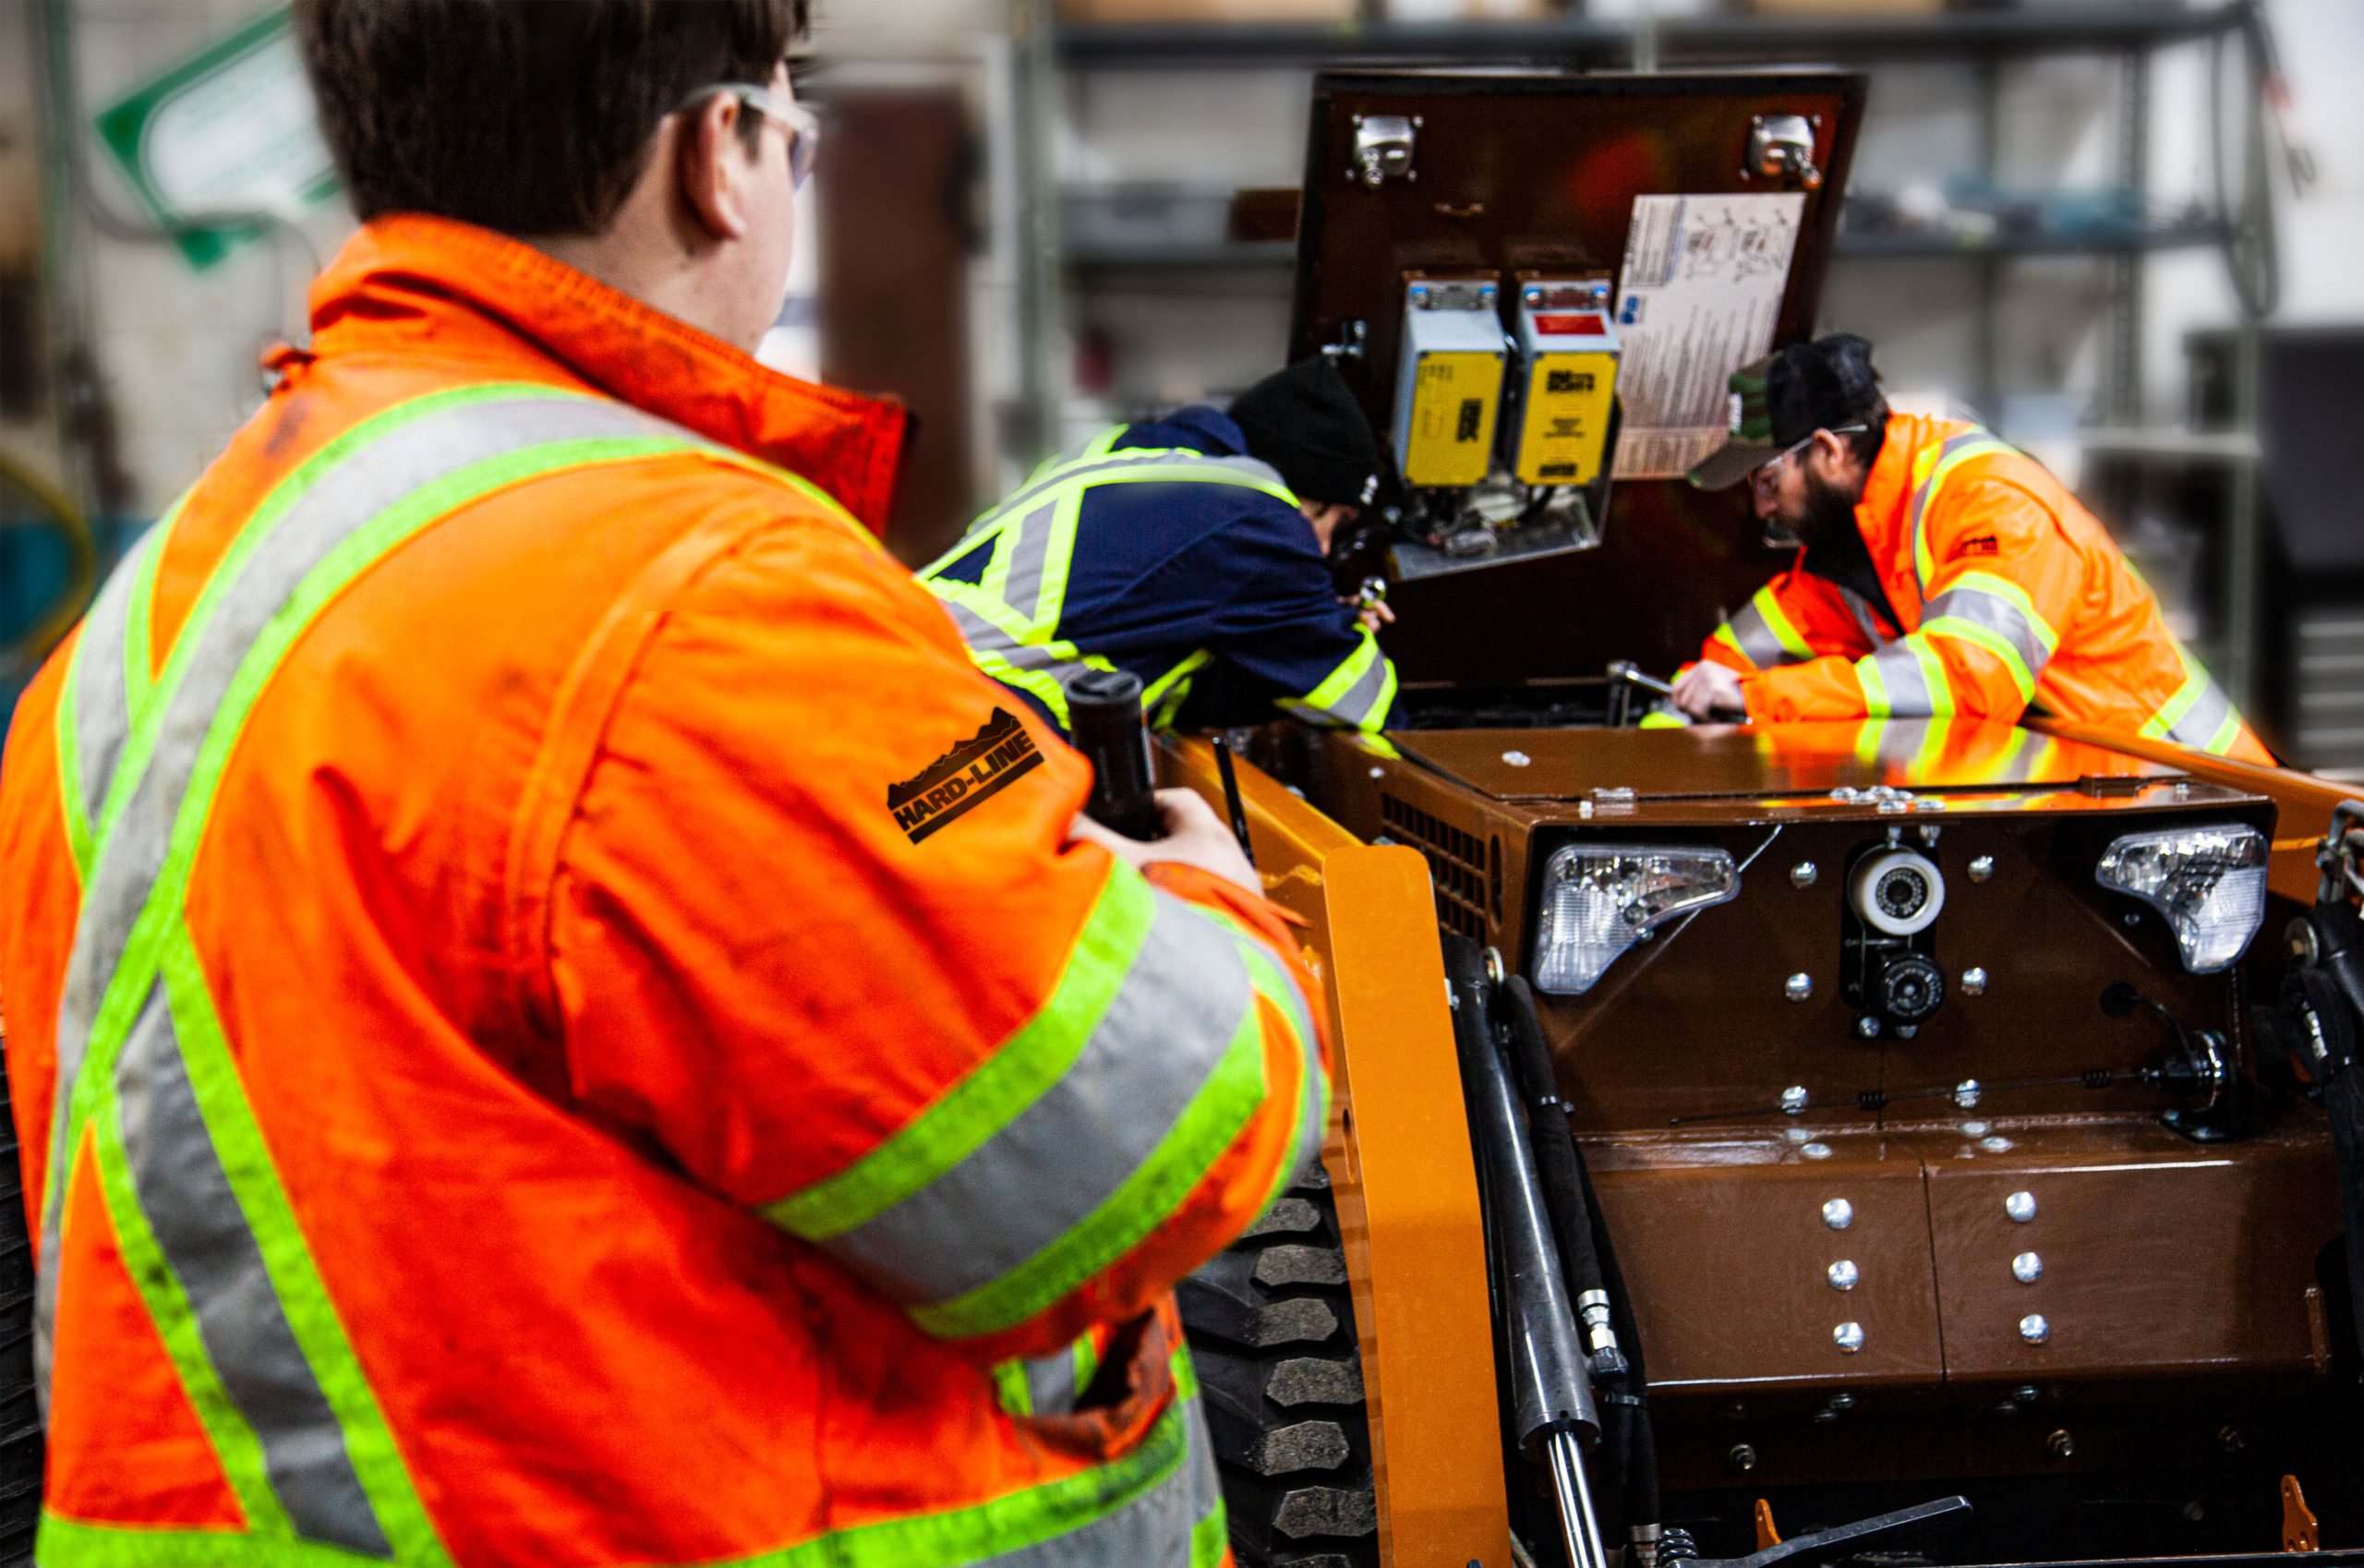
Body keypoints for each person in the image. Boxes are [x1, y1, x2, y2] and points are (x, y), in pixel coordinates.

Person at [0, 4, 1328, 1564]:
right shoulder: (699, 596)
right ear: (719, 157)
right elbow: (1134, 1140)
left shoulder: (139, 630)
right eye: (790, 113)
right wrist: (1211, 907)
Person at [1670, 334, 2274, 765]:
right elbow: (1731, 665)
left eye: (1767, 481)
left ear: (1828, 450)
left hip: (2193, 794)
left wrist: (1758, 700)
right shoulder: (1858, 539)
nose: (1761, 508)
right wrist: (1667, 732)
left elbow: (1968, 680)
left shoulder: (1990, 498)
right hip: (2096, 804)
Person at [921, 356, 1397, 733]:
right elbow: (1360, 702)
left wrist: (1300, 620)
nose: (1323, 548)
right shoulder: (1259, 514)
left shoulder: (1124, 456)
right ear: (1296, 489)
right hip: (979, 717)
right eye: (1326, 519)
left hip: (900, 656)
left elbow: (1157, 674)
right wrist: (1349, 632)